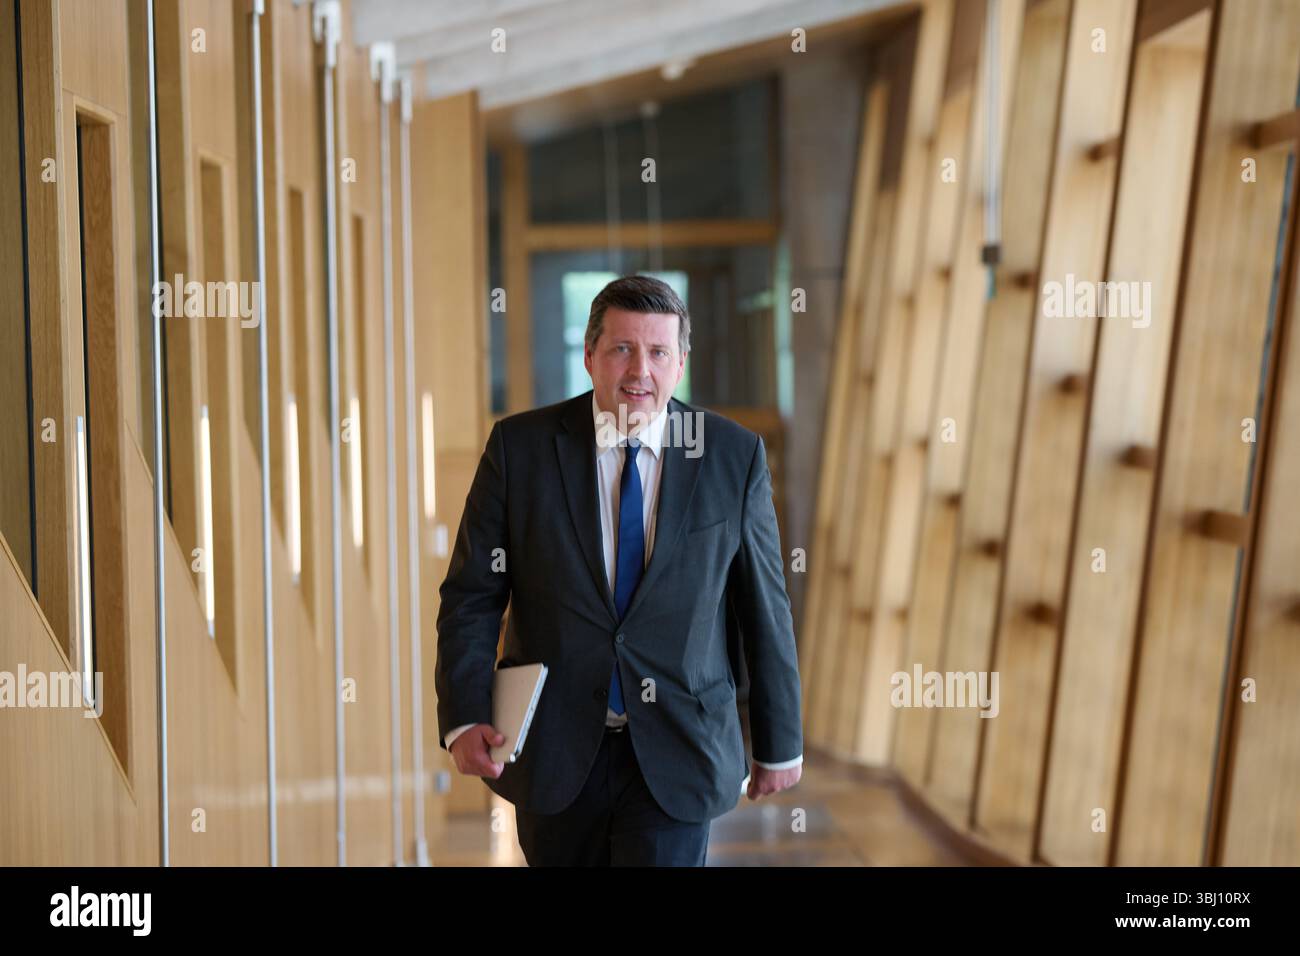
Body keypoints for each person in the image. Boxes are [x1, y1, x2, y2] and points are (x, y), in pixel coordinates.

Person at [435, 275, 803, 866]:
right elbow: (472, 595)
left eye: (658, 352)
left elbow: (763, 607)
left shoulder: (733, 457)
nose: (640, 371)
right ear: (589, 356)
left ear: (680, 362)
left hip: (680, 749)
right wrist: (466, 712)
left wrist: (779, 740)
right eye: (622, 349)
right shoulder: (519, 450)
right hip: (555, 752)